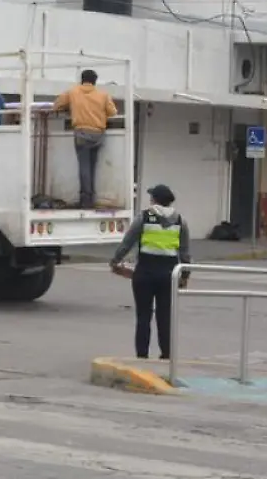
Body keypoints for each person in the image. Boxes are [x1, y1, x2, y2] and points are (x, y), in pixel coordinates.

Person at [110, 184, 191, 360]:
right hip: (169, 274)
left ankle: (142, 356)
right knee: (164, 317)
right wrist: (185, 276)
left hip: (145, 273)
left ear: (154, 199)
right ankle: (167, 355)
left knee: (143, 316)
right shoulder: (180, 221)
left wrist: (115, 261)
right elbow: (184, 252)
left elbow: (127, 242)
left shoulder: (144, 217)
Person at [52, 69, 118, 208]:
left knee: (84, 167)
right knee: (93, 166)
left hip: (82, 133)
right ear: (95, 81)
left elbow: (56, 105)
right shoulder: (103, 95)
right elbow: (113, 112)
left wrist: (71, 108)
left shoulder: (73, 92)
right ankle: (91, 198)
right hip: (98, 134)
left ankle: (85, 199)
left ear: (82, 80)